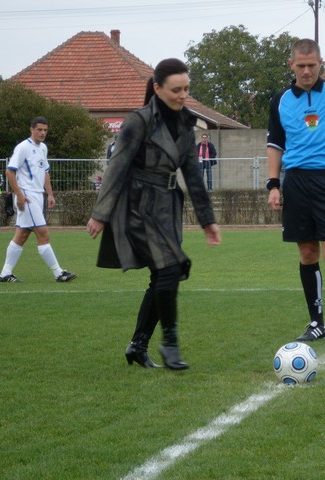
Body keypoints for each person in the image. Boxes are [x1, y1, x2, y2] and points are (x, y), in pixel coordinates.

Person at [87, 58, 221, 370]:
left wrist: (208, 221)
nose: (183, 95)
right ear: (158, 88)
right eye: (176, 90)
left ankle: (138, 345)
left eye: (186, 88)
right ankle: (169, 343)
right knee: (171, 269)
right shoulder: (138, 121)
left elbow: (193, 175)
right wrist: (100, 213)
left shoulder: (187, 124)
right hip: (137, 206)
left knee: (164, 274)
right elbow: (116, 167)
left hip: (168, 206)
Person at [267, 38, 325, 346]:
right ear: (291, 65)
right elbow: (275, 145)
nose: (306, 71)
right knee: (307, 253)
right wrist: (273, 184)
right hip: (296, 182)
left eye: (312, 65)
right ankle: (316, 323)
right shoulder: (280, 100)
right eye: (301, 66)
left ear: (321, 63)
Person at [0, 117, 77, 283]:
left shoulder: (43, 148)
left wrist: (50, 194)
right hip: (27, 196)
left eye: (45, 130)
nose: (42, 133)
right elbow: (9, 172)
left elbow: (45, 172)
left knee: (22, 235)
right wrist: (20, 195)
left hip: (38, 195)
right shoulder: (23, 147)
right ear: (32, 129)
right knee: (43, 233)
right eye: (39, 130)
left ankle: (5, 273)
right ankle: (58, 273)